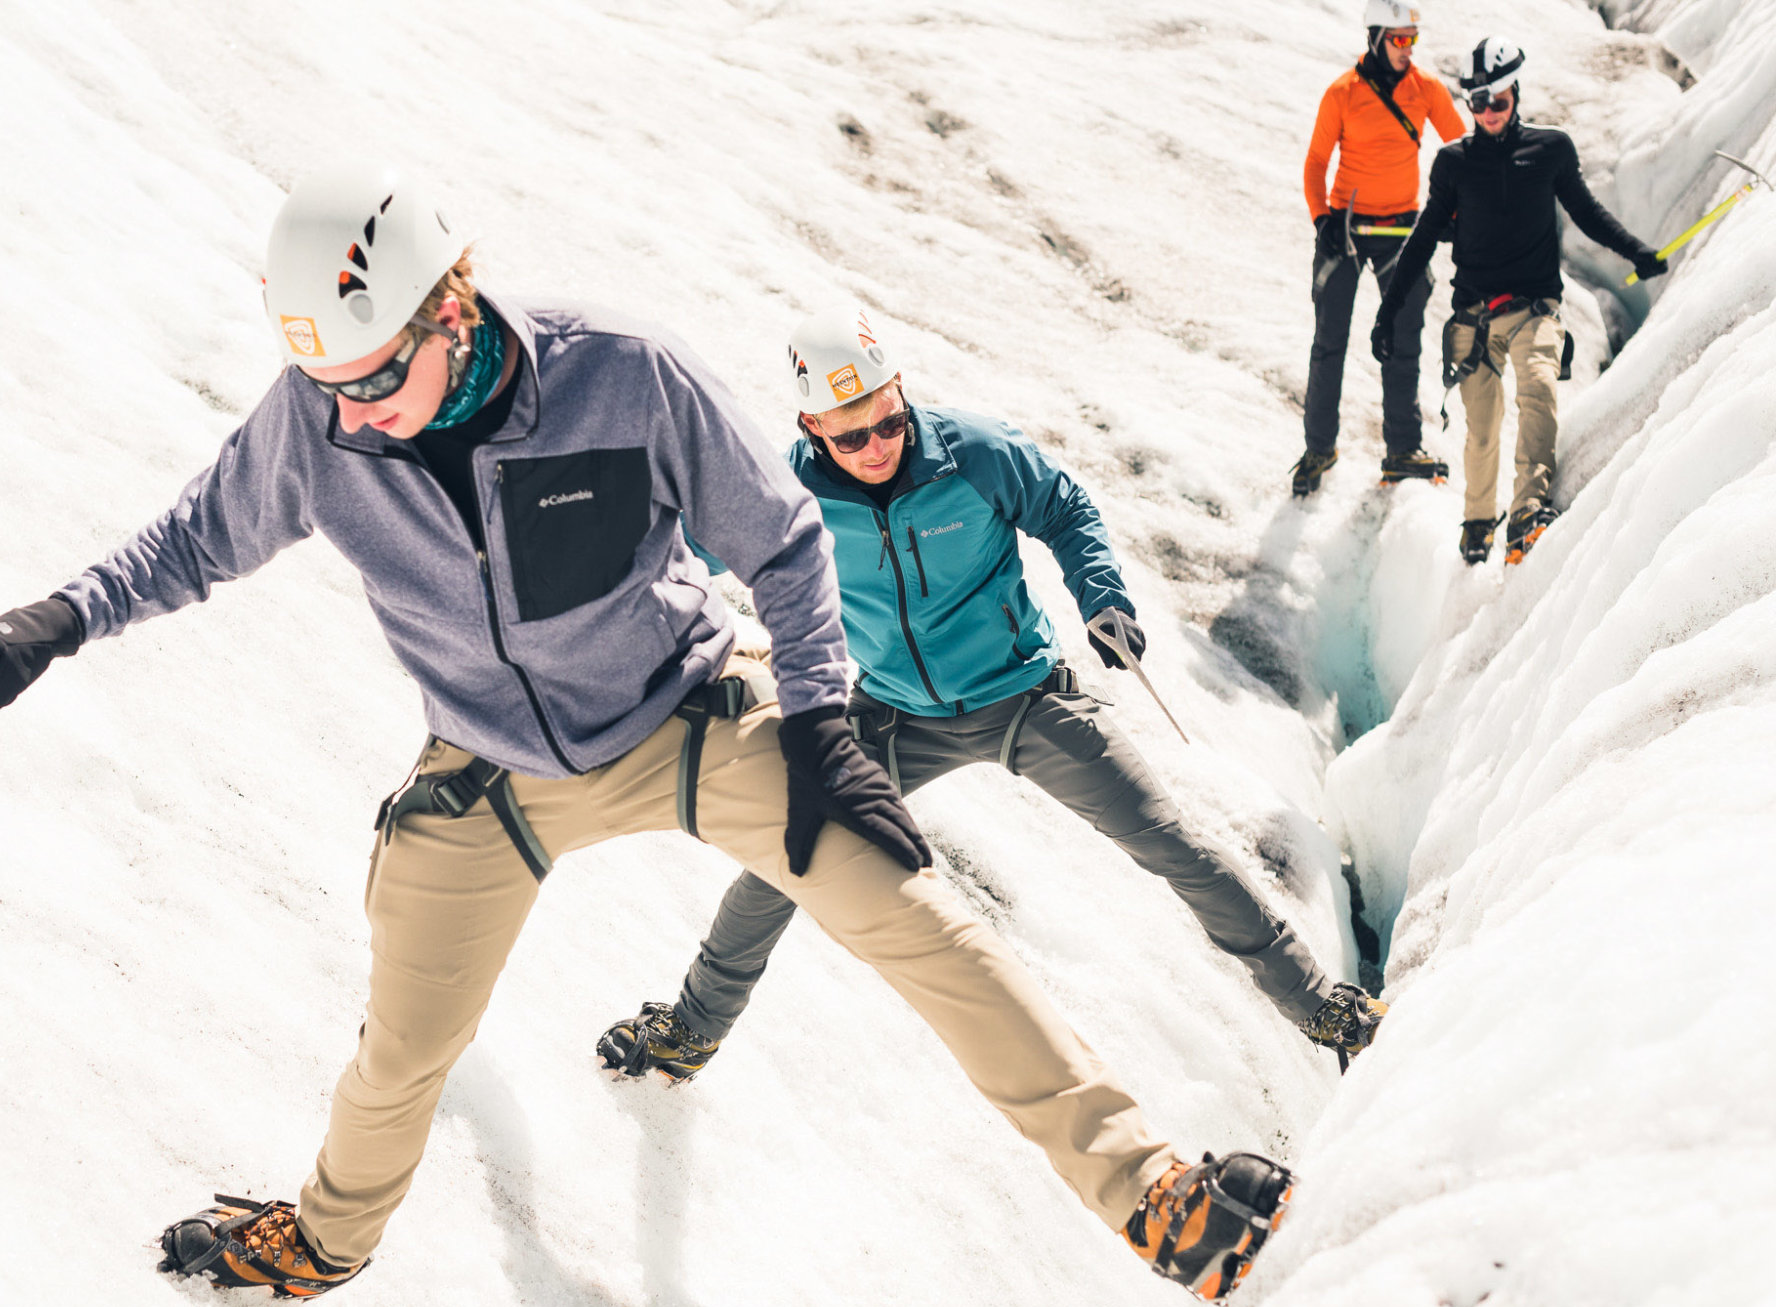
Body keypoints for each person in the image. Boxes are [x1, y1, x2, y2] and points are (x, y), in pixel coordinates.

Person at [0, 165, 1298, 1304]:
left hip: (694, 721)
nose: (351, 413)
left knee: (915, 913)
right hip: (491, 775)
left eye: (374, 375)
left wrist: (823, 724)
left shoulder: (622, 375)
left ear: (449, 305)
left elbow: (781, 547)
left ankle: (1152, 1189)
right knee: (403, 1042)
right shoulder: (319, 423)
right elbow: (197, 538)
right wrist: (51, 620)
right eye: (328, 385)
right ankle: (327, 1239)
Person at [598, 307, 1387, 1093]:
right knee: (784, 857)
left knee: (1169, 841)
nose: (875, 447)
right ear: (809, 425)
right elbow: (685, 549)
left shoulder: (974, 453)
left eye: (887, 422)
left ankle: (1324, 1006)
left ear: (899, 392)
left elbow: (1065, 506)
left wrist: (1101, 597)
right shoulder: (786, 488)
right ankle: (690, 1033)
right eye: (849, 437)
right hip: (894, 714)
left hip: (1025, 696)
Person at [1373, 38, 1666, 564]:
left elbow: (1588, 213)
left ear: (1515, 92)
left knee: (1538, 389)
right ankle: (1478, 525)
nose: (1487, 112)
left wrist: (1636, 251)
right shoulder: (1452, 165)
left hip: (1535, 308)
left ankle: (1527, 512)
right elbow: (1421, 240)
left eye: (1497, 100)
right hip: (1474, 320)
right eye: (1477, 102)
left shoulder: (1550, 150)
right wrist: (1387, 310)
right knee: (1482, 433)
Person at [1292, 0, 1465, 498]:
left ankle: (1402, 450)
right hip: (1344, 230)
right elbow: (1316, 162)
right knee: (1330, 344)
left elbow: (1461, 151)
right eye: (1399, 39)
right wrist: (1321, 217)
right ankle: (1319, 447)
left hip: (1403, 231)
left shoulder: (1425, 89)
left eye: (1413, 40)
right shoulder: (1343, 93)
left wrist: (1453, 210)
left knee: (1401, 341)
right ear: (1375, 37)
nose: (1408, 50)